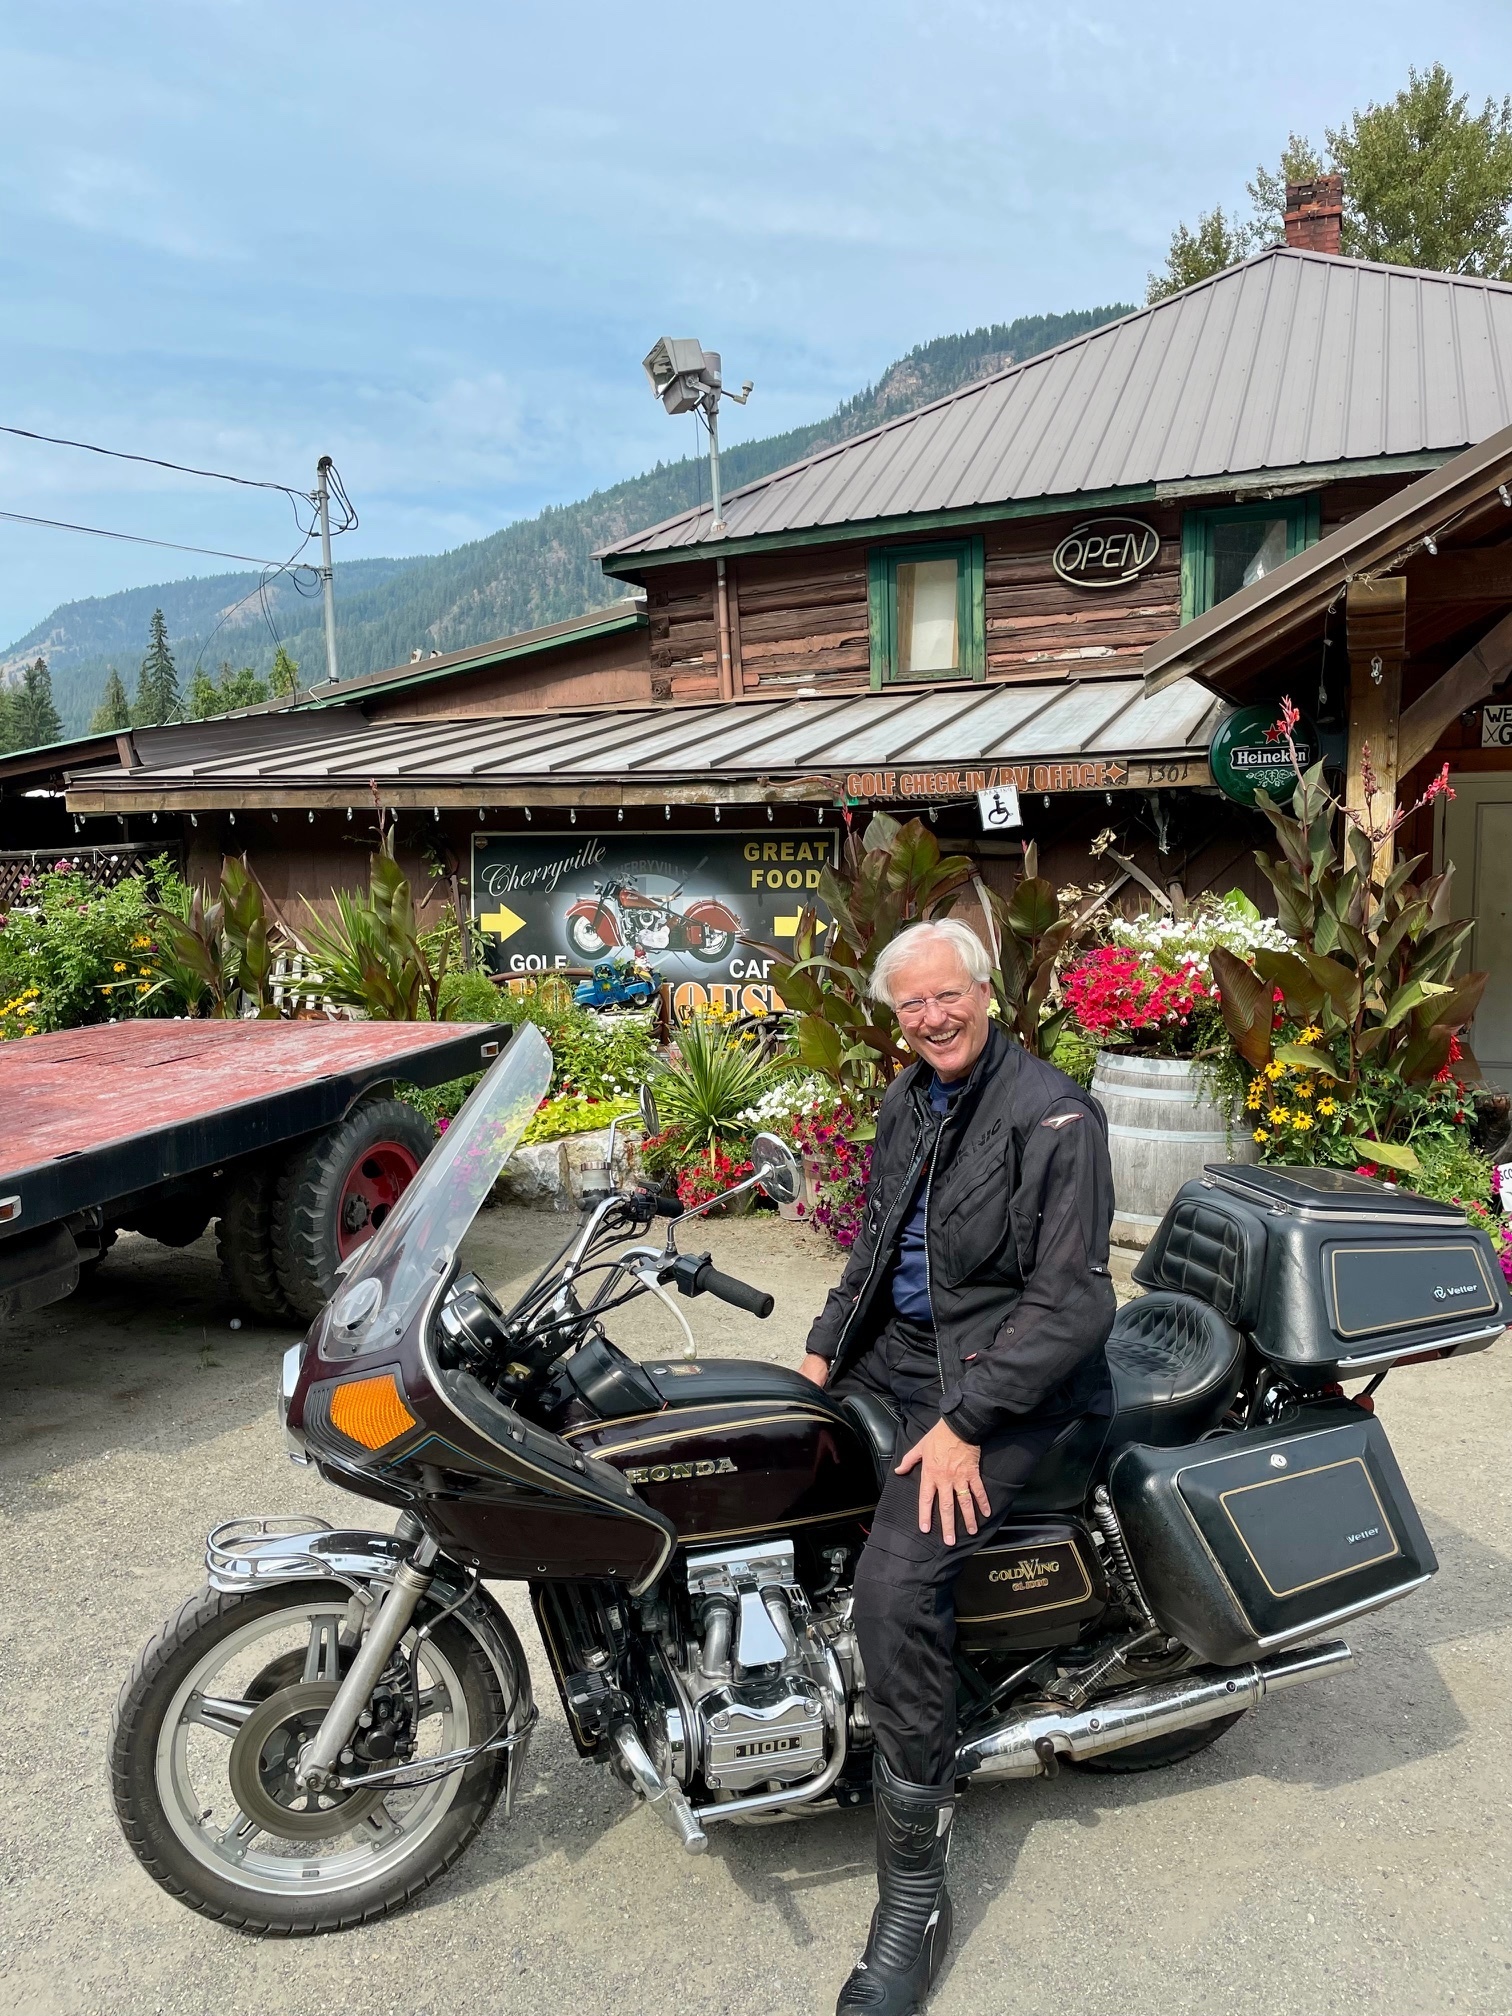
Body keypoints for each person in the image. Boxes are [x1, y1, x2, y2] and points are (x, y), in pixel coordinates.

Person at [798, 917, 1116, 2016]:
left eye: (949, 997)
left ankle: (914, 1896)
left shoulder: (1055, 1115)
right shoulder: (907, 1099)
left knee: (895, 1583)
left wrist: (969, 1419)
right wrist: (821, 1348)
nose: (933, 1019)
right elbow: (874, 1240)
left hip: (1010, 1388)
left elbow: (1073, 1299)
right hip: (905, 1362)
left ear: (988, 994)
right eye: (911, 1006)